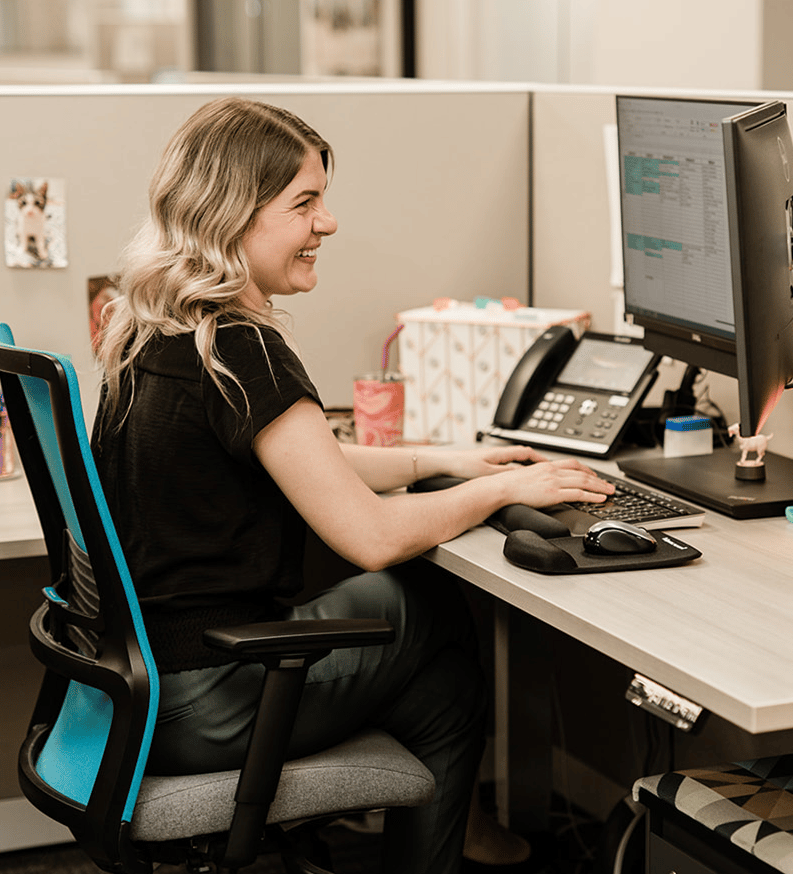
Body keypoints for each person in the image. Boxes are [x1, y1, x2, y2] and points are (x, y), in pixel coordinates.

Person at [91, 96, 614, 874]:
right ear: (235, 215)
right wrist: (502, 492)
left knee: (446, 687)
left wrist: (448, 459)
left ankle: (457, 835)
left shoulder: (152, 329)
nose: (327, 223)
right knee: (426, 599)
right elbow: (368, 537)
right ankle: (458, 838)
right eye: (305, 202)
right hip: (212, 694)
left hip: (140, 688)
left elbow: (298, 458)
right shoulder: (242, 348)